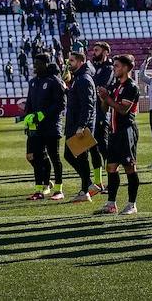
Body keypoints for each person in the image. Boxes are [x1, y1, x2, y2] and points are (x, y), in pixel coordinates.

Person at [96, 54, 141, 215]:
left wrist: (107, 97)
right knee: (111, 167)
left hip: (127, 131)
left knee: (129, 167)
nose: (114, 68)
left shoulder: (131, 87)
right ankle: (111, 204)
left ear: (126, 68)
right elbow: (104, 109)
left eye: (117, 66)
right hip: (114, 131)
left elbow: (123, 110)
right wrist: (103, 98)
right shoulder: (115, 86)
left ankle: (131, 204)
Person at [24, 54, 65, 201]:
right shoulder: (33, 82)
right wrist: (28, 117)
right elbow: (29, 102)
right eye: (34, 63)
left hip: (52, 126)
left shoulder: (54, 81)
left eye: (38, 63)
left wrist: (43, 114)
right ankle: (39, 190)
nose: (35, 66)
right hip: (36, 127)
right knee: (36, 157)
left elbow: (61, 104)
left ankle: (59, 189)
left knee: (55, 157)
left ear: (46, 64)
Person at [63, 50, 98, 201]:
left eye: (71, 61)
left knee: (73, 155)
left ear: (80, 62)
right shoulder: (78, 78)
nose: (68, 63)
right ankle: (87, 188)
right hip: (75, 124)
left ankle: (87, 188)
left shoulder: (83, 79)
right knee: (77, 157)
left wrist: (82, 126)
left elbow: (88, 105)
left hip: (80, 125)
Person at [86, 42, 114, 190]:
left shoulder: (109, 68)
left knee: (104, 148)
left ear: (105, 52)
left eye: (97, 50)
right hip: (91, 113)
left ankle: (111, 180)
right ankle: (98, 182)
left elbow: (100, 86)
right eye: (93, 50)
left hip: (102, 114)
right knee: (93, 148)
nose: (94, 52)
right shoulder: (93, 67)